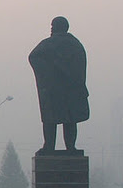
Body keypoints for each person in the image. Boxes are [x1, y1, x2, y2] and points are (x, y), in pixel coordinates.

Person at [28, 16, 89, 156]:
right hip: (71, 90)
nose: (51, 29)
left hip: (53, 91)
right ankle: (71, 148)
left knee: (50, 120)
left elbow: (33, 57)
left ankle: (49, 146)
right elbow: (80, 66)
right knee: (70, 120)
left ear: (57, 27)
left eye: (52, 26)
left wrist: (47, 75)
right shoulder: (75, 44)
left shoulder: (48, 44)